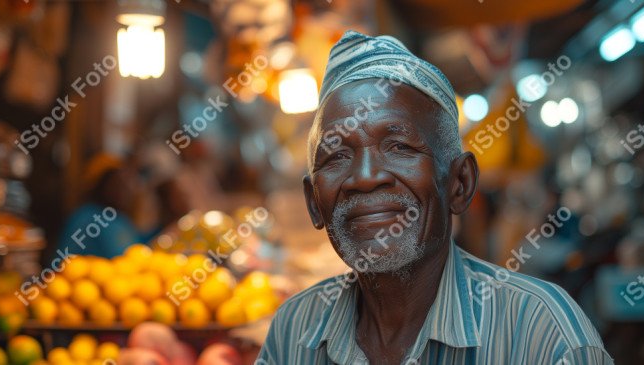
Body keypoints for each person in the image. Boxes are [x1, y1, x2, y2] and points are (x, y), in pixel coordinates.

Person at [257, 31, 613, 364]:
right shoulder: (294, 331)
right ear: (314, 202)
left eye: (399, 146)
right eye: (336, 156)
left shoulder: (542, 334)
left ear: (459, 183)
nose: (365, 178)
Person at [59, 153, 153, 258]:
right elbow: (62, 260)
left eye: (125, 184)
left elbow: (139, 250)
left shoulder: (120, 218)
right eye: (117, 184)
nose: (125, 190)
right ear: (100, 185)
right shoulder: (86, 218)